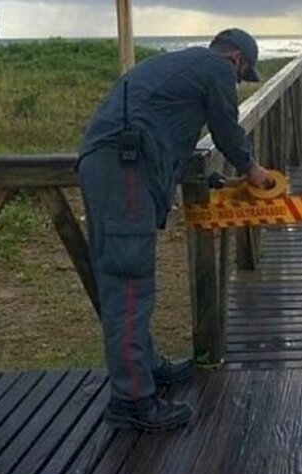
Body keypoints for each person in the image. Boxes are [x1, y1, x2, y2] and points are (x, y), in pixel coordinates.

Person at [77, 28, 274, 431]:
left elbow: (171, 139)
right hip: (124, 167)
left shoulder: (180, 66)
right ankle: (132, 401)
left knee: (127, 278)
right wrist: (252, 169)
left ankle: (147, 366)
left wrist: (219, 183)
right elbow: (226, 130)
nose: (236, 84)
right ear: (235, 59)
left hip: (118, 164)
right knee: (129, 280)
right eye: (241, 77)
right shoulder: (216, 69)